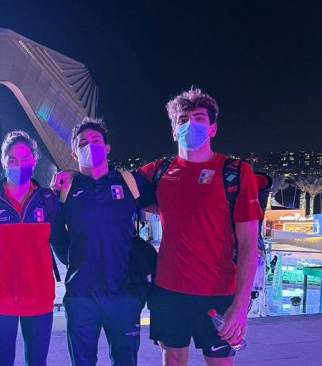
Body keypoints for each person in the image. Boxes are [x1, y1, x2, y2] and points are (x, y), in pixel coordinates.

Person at [135, 89, 263, 365]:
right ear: (173, 130)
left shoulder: (235, 172)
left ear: (212, 128)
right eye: (182, 119)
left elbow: (248, 244)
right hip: (168, 291)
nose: (190, 124)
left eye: (198, 118)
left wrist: (240, 307)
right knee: (172, 361)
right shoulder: (158, 171)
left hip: (218, 293)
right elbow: (115, 188)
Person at [48, 119, 151, 366]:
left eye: (96, 141)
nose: (90, 146)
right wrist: (76, 261)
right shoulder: (66, 188)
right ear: (74, 153)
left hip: (124, 293)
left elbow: (168, 206)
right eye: (83, 143)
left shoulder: (128, 182)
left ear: (107, 148)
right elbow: (57, 235)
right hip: (81, 295)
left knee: (125, 361)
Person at [0, 131, 60, 366]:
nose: (19, 165)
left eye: (26, 159)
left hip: (38, 296)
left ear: (34, 161)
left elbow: (63, 243)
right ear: (3, 162)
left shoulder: (48, 200)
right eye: (12, 160)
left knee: (37, 362)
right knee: (2, 362)